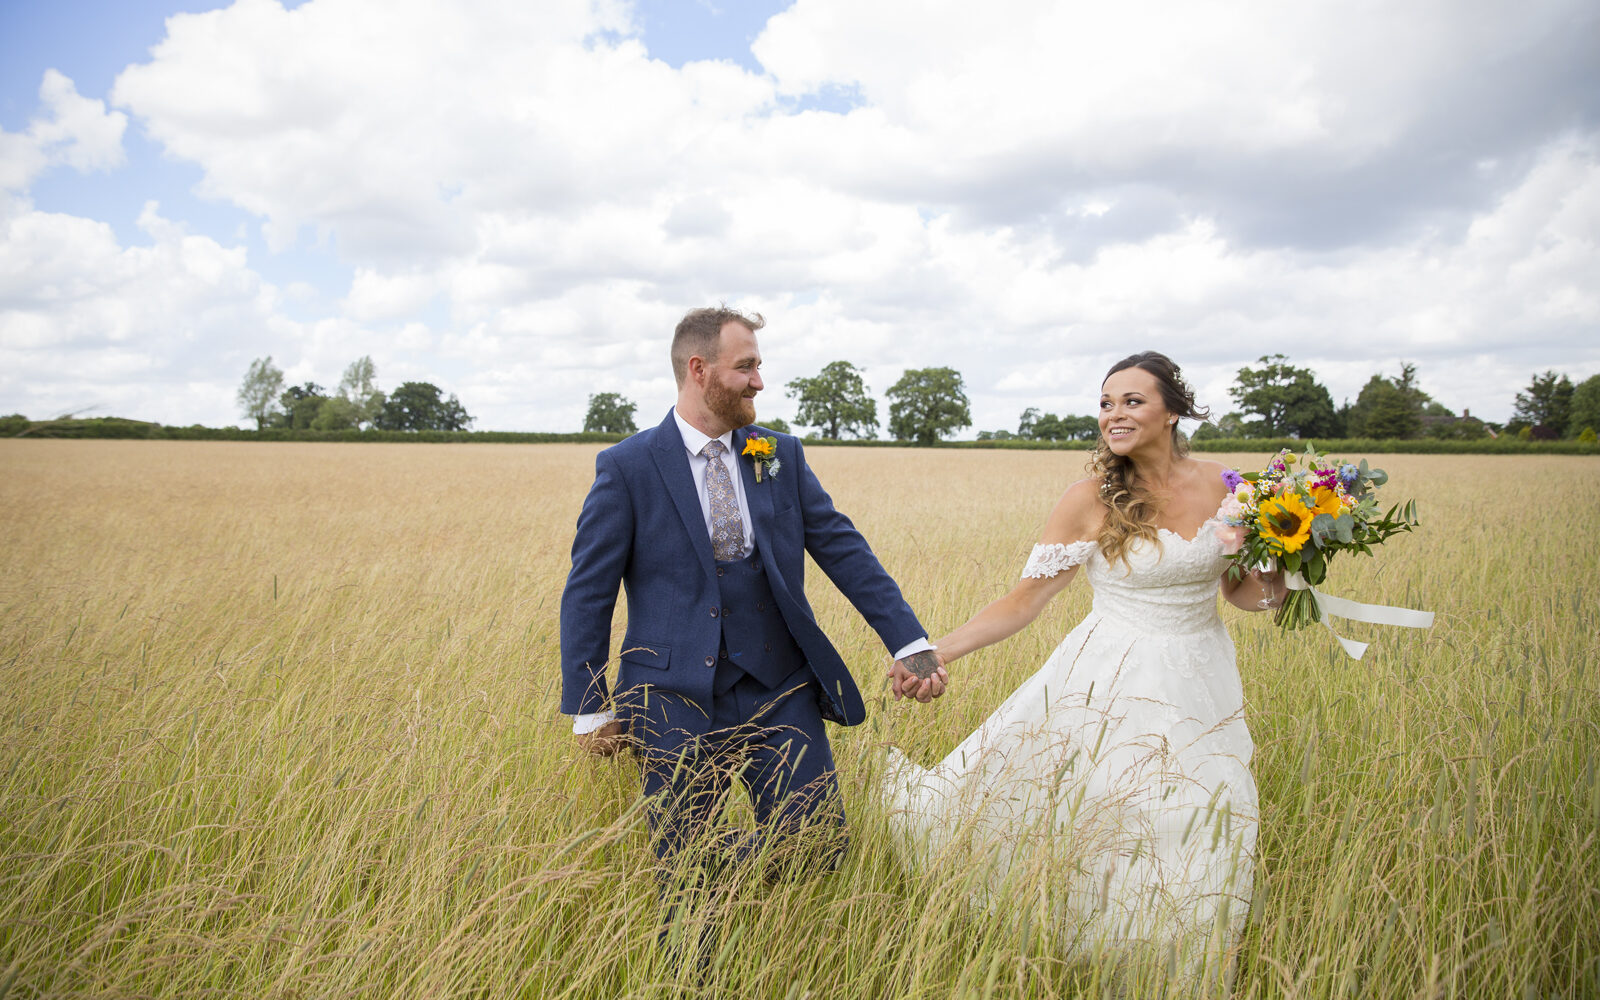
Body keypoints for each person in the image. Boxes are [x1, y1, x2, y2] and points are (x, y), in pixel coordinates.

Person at [883, 351, 1281, 980]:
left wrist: (1284, 564)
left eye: (1132, 401)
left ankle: (1183, 964)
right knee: (1124, 814)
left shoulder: (1229, 488)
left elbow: (1245, 595)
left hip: (1201, 674)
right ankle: (1099, 949)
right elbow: (1025, 601)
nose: (1114, 415)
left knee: (1206, 812)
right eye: (1105, 403)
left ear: (1172, 411)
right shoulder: (1089, 498)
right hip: (1111, 676)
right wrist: (932, 652)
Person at [560, 306, 945, 903]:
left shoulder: (778, 454)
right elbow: (589, 592)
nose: (759, 381)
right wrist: (588, 706)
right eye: (746, 367)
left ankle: (707, 867)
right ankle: (693, 944)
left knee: (816, 843)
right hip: (669, 697)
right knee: (684, 880)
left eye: (759, 366)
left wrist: (911, 645)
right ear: (699, 370)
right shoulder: (627, 466)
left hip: (779, 685)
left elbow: (845, 552)